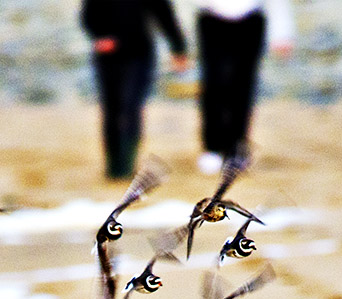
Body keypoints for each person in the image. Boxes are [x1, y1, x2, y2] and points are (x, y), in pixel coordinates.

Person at [81, 0, 188, 180]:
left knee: (131, 106)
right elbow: (88, 15)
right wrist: (100, 36)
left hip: (139, 53)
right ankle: (114, 166)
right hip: (108, 56)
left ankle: (127, 165)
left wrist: (178, 48)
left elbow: (163, 13)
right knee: (111, 109)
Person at [195, 0, 295, 175]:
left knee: (243, 85)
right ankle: (212, 147)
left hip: (250, 18)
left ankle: (237, 147)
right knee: (214, 83)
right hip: (212, 16)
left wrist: (282, 33)